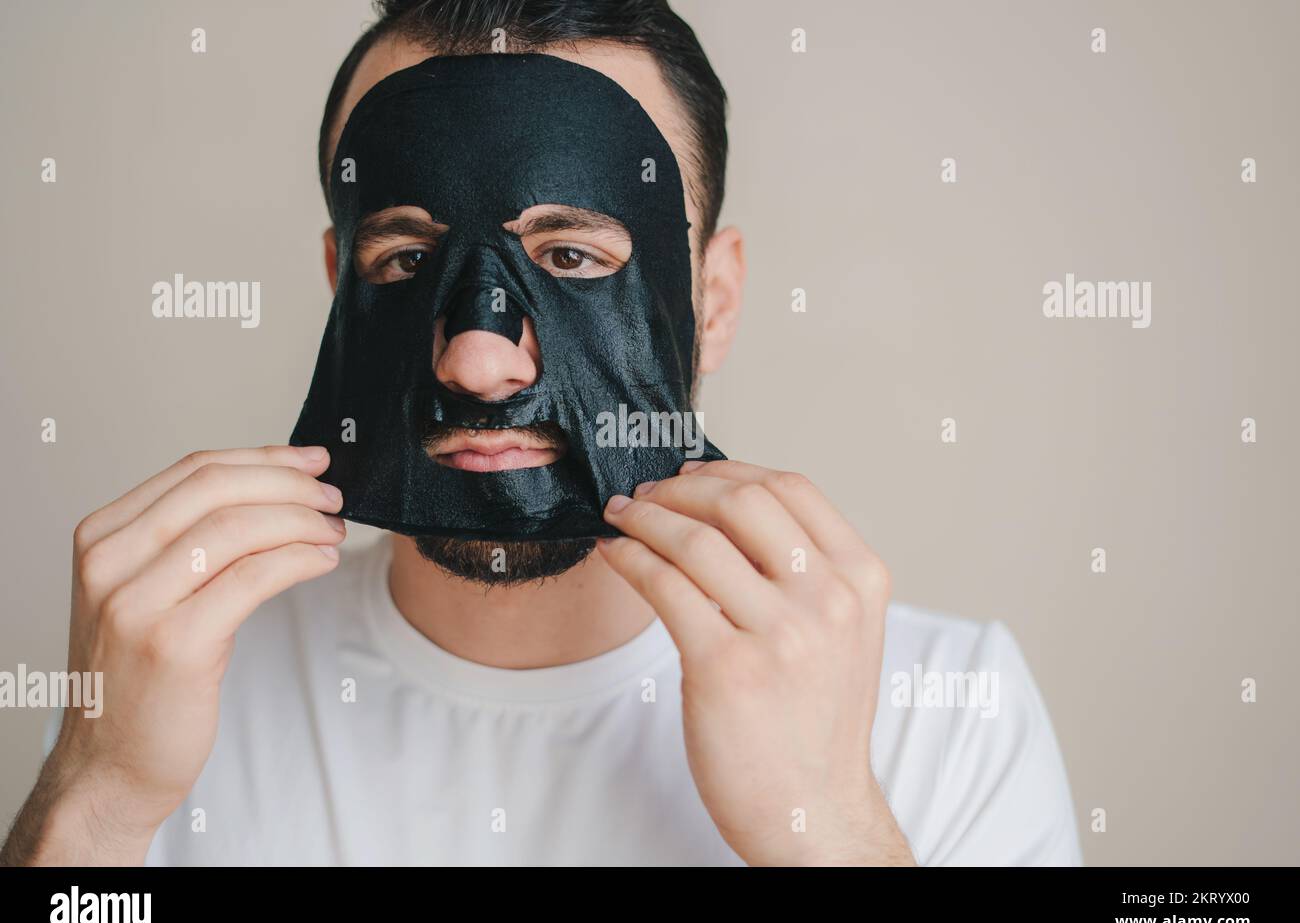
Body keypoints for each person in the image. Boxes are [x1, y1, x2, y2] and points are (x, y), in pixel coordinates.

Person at [2, 0, 1080, 866]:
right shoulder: (169, 681)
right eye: (406, 260)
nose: (479, 359)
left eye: (570, 259)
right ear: (343, 285)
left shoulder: (949, 711)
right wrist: (94, 803)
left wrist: (830, 831)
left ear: (714, 298)